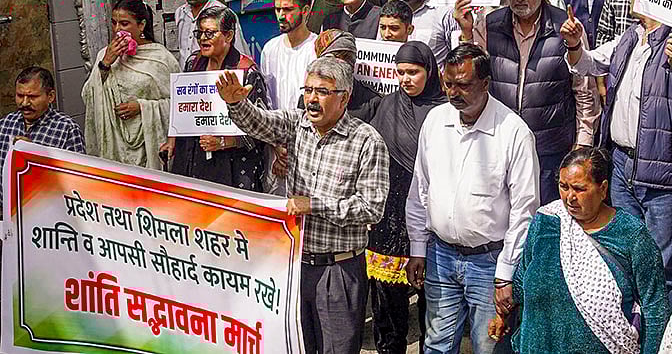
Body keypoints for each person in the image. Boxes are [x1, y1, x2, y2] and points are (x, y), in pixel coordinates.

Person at [218, 57, 389, 354]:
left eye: (322, 91)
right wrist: (236, 104)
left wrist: (315, 205)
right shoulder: (296, 125)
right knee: (297, 346)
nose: (311, 98)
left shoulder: (367, 141)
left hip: (339, 270)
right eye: (308, 89)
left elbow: (371, 207)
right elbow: (259, 123)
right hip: (296, 266)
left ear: (344, 98)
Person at [562, 0, 672, 308]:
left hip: (664, 172)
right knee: (624, 256)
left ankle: (664, 338)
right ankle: (632, 331)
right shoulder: (630, 38)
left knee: (662, 265)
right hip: (621, 166)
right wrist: (575, 44)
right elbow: (588, 64)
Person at [405, 44, 540, 354]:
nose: (454, 92)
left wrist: (506, 273)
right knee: (436, 344)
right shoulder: (436, 121)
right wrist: (418, 248)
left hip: (489, 264)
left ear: (486, 83)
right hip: (440, 256)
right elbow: (420, 190)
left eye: (463, 84)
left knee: (488, 346)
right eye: (449, 83)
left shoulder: (514, 133)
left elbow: (524, 212)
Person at [490, 148, 669, 353]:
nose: (570, 197)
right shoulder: (547, 220)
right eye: (563, 187)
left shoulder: (631, 235)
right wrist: (503, 316)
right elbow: (522, 281)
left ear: (603, 189)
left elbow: (655, 305)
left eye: (579, 189)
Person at [455, 0, 598, 205]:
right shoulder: (489, 25)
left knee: (544, 222)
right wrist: (467, 34)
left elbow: (584, 91)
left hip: (549, 149)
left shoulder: (565, 27)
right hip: (499, 143)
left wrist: (582, 145)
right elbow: (470, 76)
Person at [367, 41, 446, 354]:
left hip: (429, 214)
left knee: (433, 304)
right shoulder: (386, 105)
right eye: (399, 72)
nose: (405, 79)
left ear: (429, 70)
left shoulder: (444, 109)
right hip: (388, 219)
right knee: (387, 304)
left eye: (413, 72)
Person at [165, 6, 268, 191]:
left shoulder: (246, 72)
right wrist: (172, 140)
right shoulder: (193, 63)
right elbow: (181, 108)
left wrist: (224, 142)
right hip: (192, 160)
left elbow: (262, 129)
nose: (203, 38)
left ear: (228, 36)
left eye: (210, 33)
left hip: (232, 169)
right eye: (199, 33)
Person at [83, 0, 179, 168]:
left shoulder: (161, 58)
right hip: (114, 145)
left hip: (150, 148)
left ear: (141, 25)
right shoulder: (104, 55)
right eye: (114, 23)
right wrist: (105, 63)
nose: (117, 30)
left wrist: (142, 107)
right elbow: (89, 96)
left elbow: (180, 105)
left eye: (124, 24)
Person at [0, 66, 85, 192]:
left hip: (45, 208)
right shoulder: (4, 124)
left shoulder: (67, 130)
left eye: (32, 97)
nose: (24, 103)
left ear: (50, 96)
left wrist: (35, 156)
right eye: (20, 95)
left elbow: (78, 183)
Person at [259, 0, 319, 111]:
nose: (281, 16)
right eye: (277, 9)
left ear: (305, 11)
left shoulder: (317, 48)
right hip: (275, 126)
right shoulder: (269, 50)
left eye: (287, 9)